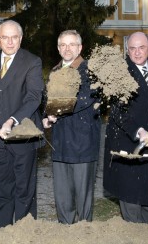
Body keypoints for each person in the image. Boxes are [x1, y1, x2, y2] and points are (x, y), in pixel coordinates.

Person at [0, 20, 44, 228]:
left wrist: (12, 120)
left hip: (22, 137)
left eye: (14, 37)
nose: (10, 41)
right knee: (4, 190)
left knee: (24, 191)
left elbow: (33, 96)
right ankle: (2, 233)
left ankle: (25, 235)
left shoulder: (32, 61)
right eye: (5, 37)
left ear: (21, 39)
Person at [103, 31, 148, 225]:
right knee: (130, 188)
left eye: (141, 48)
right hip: (125, 136)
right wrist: (138, 131)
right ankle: (134, 230)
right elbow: (118, 110)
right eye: (132, 48)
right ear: (127, 50)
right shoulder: (119, 71)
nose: (137, 53)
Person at [42, 30, 102, 224]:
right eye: (63, 45)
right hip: (60, 142)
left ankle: (83, 231)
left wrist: (55, 111)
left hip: (83, 141)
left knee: (83, 193)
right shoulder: (55, 71)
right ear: (59, 48)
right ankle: (65, 228)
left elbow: (85, 98)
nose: (67, 49)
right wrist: (46, 117)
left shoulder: (91, 70)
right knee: (62, 191)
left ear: (80, 47)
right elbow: (47, 99)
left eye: (72, 44)